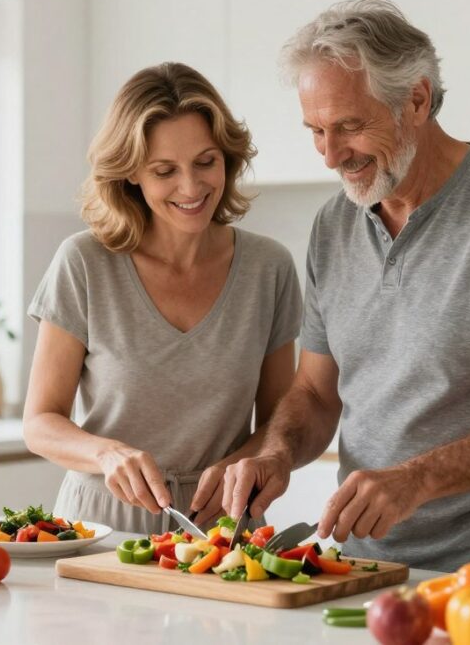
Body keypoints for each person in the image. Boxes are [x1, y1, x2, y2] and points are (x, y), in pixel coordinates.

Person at [221, 0, 470, 570]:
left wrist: (413, 481)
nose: (330, 155)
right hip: (360, 565)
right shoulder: (333, 223)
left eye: (349, 126)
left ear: (416, 99)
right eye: (316, 130)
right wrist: (276, 452)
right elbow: (318, 394)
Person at [22, 62, 302, 535]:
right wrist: (107, 453)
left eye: (206, 162)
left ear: (228, 159)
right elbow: (39, 423)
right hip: (102, 525)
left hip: (223, 525)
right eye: (164, 170)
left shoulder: (268, 268)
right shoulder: (84, 263)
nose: (191, 188)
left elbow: (280, 424)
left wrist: (237, 467)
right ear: (132, 173)